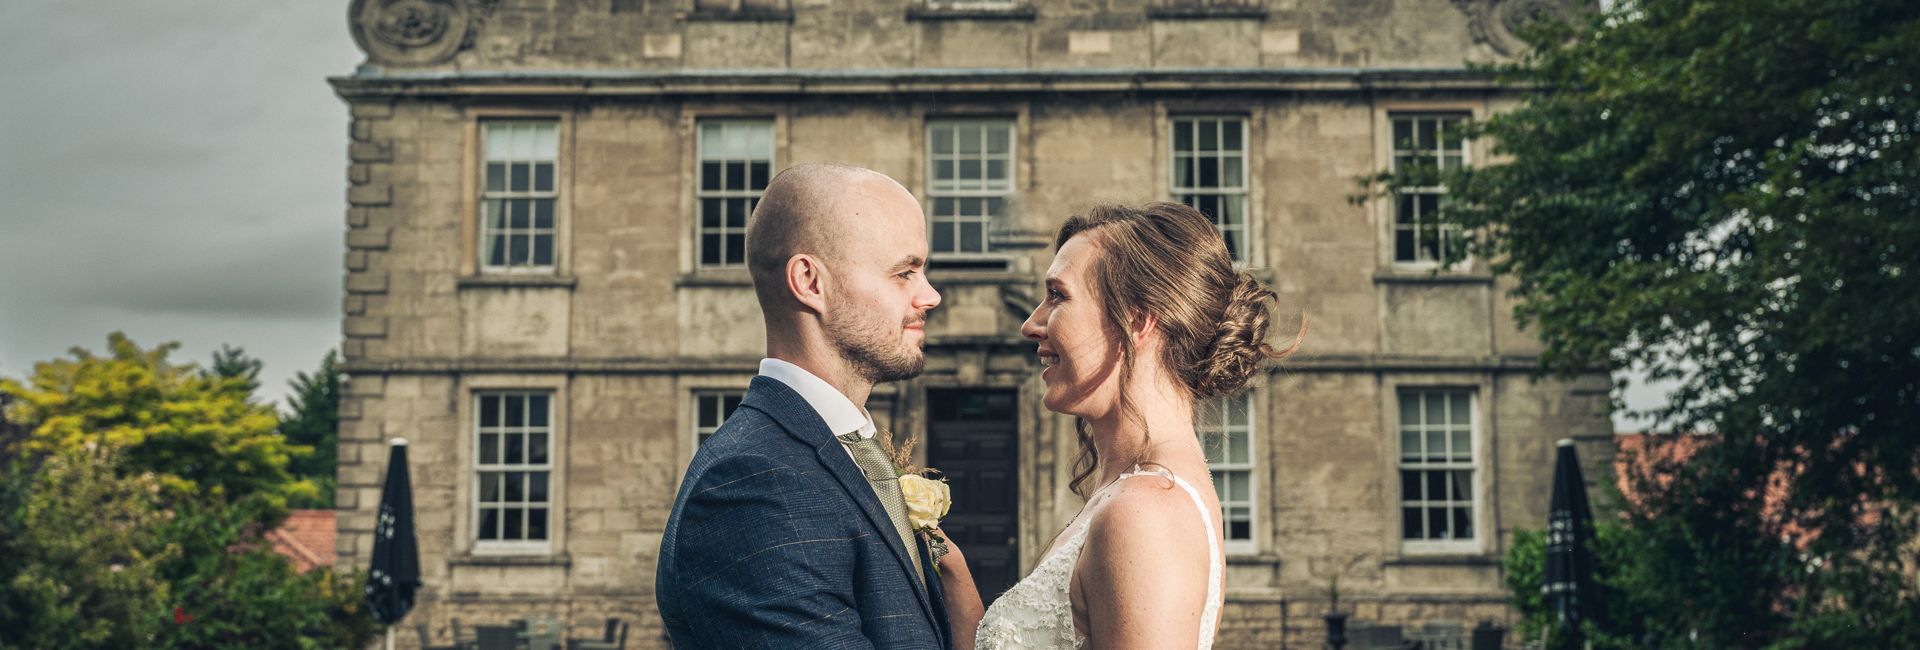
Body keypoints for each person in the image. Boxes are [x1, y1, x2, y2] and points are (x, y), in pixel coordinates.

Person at [940, 202, 1301, 649]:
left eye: (1058, 295)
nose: (1031, 324)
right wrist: (951, 573)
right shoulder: (1132, 493)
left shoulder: (1146, 513)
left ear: (1138, 319)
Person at [656, 163, 974, 649]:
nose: (929, 295)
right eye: (904, 273)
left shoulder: (845, 450)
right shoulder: (753, 484)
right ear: (810, 282)